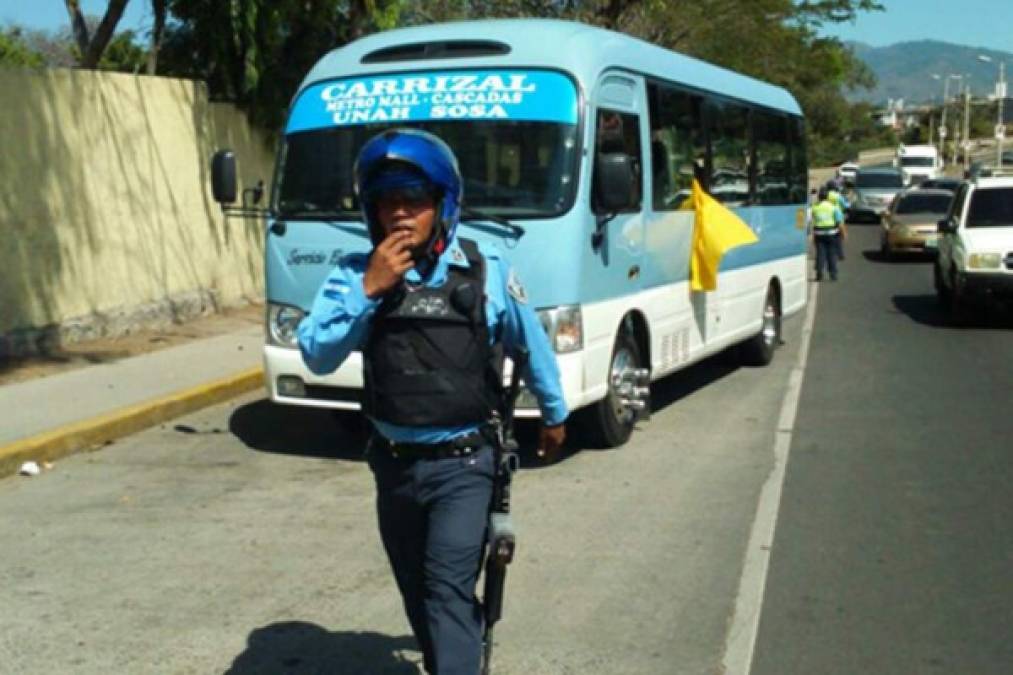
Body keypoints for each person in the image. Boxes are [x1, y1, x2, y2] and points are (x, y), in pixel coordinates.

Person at [297, 128, 568, 675]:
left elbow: (529, 340)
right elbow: (317, 354)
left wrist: (556, 413)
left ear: (443, 206)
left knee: (446, 590)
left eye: (413, 202)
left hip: (464, 465)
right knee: (418, 589)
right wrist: (369, 290)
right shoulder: (355, 275)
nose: (400, 215)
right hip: (393, 465)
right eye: (387, 203)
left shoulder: (486, 265)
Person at [811, 185, 844, 281]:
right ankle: (833, 274)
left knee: (820, 254)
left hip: (819, 234)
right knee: (831, 254)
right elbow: (839, 222)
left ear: (819, 197)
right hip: (832, 234)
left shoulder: (815, 207)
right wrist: (842, 233)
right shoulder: (833, 208)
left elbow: (811, 220)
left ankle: (819, 273)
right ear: (827, 197)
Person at [826, 179, 850, 261]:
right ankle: (840, 254)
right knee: (838, 237)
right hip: (838, 217)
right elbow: (846, 205)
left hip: (827, 217)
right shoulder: (838, 196)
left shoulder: (825, 195)